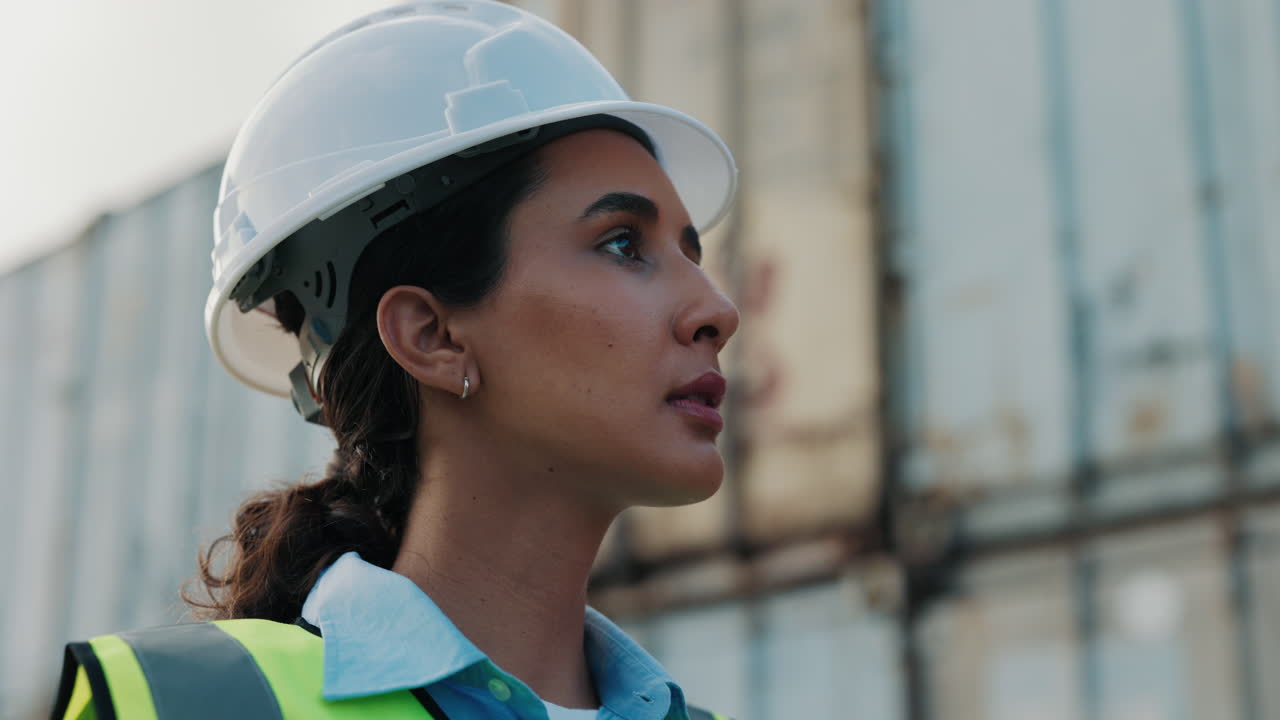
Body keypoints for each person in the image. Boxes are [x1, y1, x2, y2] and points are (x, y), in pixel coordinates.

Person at [50, 2, 739, 719]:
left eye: (691, 252)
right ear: (430, 336)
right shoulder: (189, 705)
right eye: (623, 243)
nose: (719, 309)